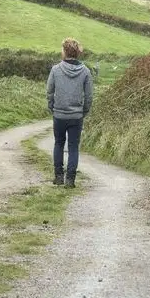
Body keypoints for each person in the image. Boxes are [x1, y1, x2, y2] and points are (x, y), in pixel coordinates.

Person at [46, 37, 93, 188]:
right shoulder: (85, 71)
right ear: (77, 52)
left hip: (59, 115)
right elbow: (89, 96)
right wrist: (84, 111)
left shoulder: (55, 70)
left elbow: (49, 91)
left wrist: (52, 107)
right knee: (73, 146)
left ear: (65, 51)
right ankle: (70, 180)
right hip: (76, 116)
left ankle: (58, 176)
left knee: (58, 143)